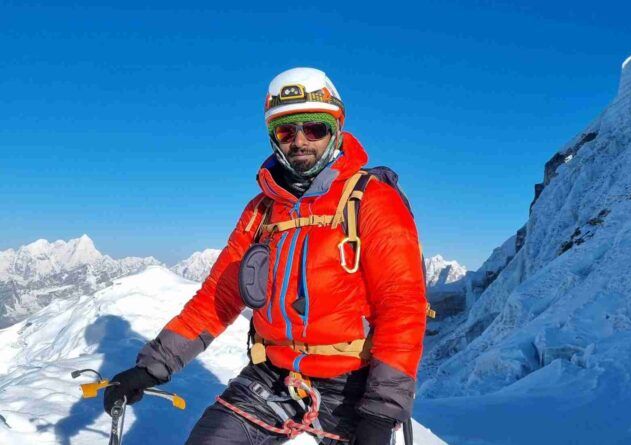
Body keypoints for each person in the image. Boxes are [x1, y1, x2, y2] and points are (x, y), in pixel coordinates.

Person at [104, 67, 429, 445]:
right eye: (286, 131)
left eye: (315, 128)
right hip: (272, 374)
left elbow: (402, 306)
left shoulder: (373, 201)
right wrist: (151, 369)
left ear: (336, 128)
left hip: (352, 382)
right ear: (274, 136)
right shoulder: (261, 211)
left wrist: (381, 412)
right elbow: (217, 298)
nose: (300, 141)